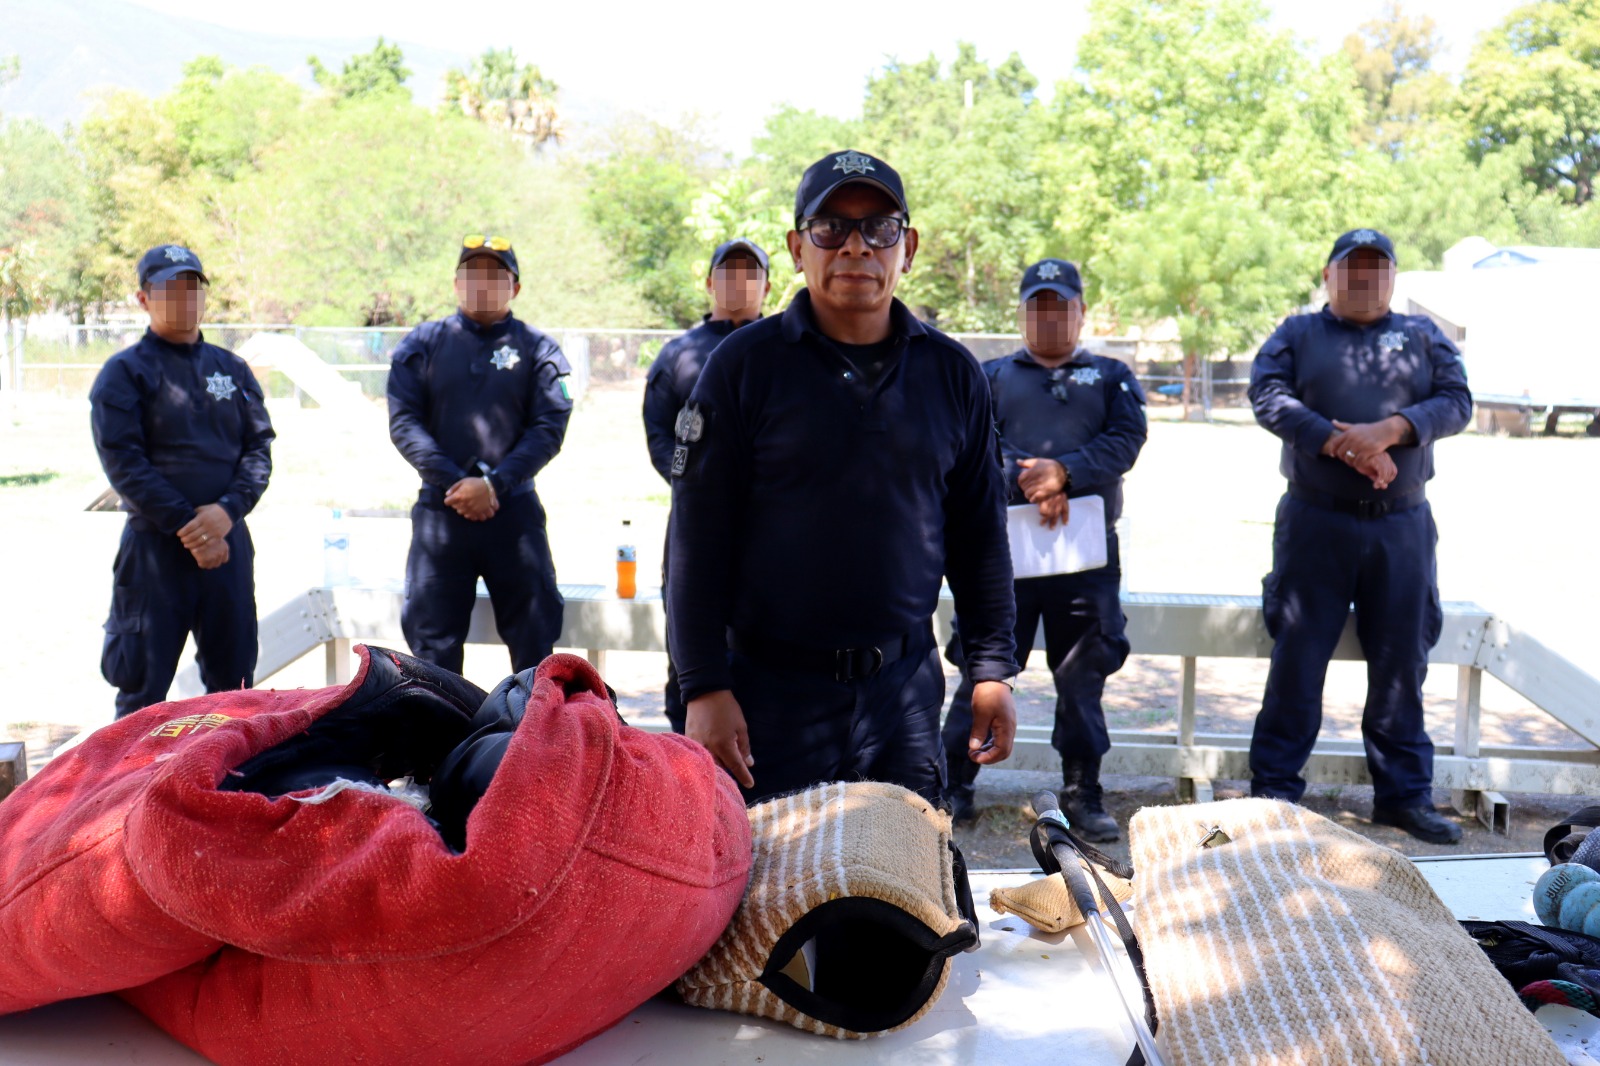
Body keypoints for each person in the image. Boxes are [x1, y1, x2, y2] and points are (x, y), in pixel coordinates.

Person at [667, 149, 1019, 806]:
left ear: (906, 248)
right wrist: (704, 687)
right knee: (768, 897)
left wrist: (991, 668)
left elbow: (980, 538)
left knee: (905, 895)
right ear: (798, 247)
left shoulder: (952, 374)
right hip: (767, 695)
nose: (856, 246)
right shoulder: (743, 367)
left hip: (903, 697)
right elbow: (695, 540)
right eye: (831, 227)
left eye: (879, 228)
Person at [1248, 227, 1472, 845]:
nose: (1365, 278)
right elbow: (1266, 396)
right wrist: (1340, 441)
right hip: (1314, 522)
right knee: (1297, 657)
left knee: (1403, 660)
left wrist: (1394, 428)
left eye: (1378, 268)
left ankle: (1403, 796)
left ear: (1394, 278)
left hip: (1401, 526)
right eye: (1353, 268)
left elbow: (1458, 401)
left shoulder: (1423, 336)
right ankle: (1273, 793)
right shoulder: (1296, 334)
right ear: (1329, 275)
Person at [941, 259, 1147, 839]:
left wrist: (1067, 472)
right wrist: (1028, 480)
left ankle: (1083, 791)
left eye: (1061, 305)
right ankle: (954, 786)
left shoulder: (1110, 376)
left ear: (1082, 311)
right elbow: (973, 442)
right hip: (1001, 560)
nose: (1050, 316)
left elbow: (1127, 440)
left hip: (1085, 562)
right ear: (1023, 313)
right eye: (1038, 305)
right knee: (981, 671)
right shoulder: (990, 376)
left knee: (1083, 680)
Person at [89, 244, 275, 717]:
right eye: (170, 288)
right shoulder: (124, 374)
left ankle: (226, 785)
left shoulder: (231, 370)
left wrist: (226, 511)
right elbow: (124, 462)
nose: (184, 298)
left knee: (234, 690)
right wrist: (190, 528)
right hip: (154, 554)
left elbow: (258, 450)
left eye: (192, 287)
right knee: (140, 691)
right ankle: (128, 790)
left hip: (228, 549)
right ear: (143, 299)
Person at [387, 234, 574, 674]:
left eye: (495, 275)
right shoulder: (423, 344)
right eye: (473, 274)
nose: (483, 283)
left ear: (516, 287)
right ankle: (443, 742)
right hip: (441, 515)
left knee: (534, 643)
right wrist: (456, 482)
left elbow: (549, 427)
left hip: (514, 513)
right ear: (456, 283)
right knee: (432, 649)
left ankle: (532, 737)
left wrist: (494, 484)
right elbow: (404, 423)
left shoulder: (538, 349)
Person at [643, 238, 770, 732]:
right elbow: (659, 434)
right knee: (691, 645)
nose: (738, 282)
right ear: (709, 282)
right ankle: (689, 769)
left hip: (773, 531)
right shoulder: (679, 355)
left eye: (750, 273)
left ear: (767, 284)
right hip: (697, 527)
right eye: (728, 272)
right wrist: (703, 490)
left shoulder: (788, 350)